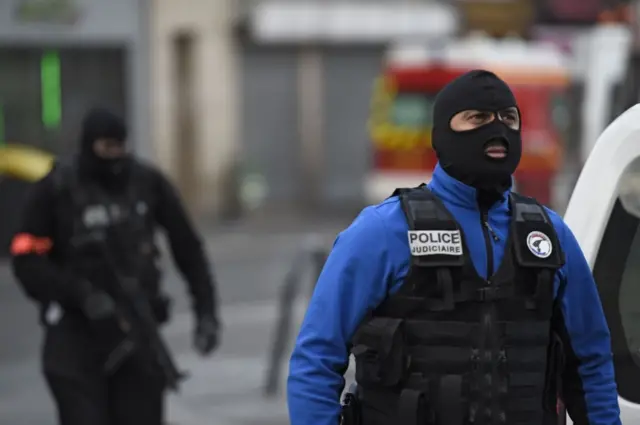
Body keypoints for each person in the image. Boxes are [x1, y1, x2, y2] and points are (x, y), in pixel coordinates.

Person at [287, 70, 621, 425]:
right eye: (477, 118)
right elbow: (317, 358)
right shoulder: (382, 232)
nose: (497, 130)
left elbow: (590, 364)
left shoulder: (550, 236)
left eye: (508, 118)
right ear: (444, 132)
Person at [10, 107, 221, 425]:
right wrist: (80, 295)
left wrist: (206, 312)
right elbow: (25, 257)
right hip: (76, 339)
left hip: (136, 334)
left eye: (120, 147)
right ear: (89, 145)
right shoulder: (57, 188)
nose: (114, 156)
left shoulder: (147, 183)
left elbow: (188, 249)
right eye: (106, 148)